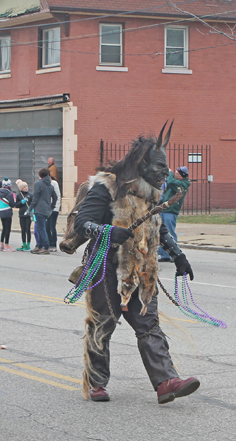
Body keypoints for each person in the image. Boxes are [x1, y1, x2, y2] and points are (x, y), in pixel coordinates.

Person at [72, 124, 198, 404]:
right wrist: (108, 232)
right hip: (105, 267)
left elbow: (157, 226)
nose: (165, 172)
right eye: (160, 166)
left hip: (141, 269)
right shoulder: (107, 186)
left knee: (149, 325)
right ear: (142, 164)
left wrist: (177, 254)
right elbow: (83, 222)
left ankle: (166, 381)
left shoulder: (150, 193)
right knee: (103, 324)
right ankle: (96, 383)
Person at [158, 166, 191, 262]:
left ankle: (175, 254)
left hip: (171, 211)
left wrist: (170, 173)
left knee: (170, 232)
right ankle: (164, 254)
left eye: (177, 174)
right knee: (162, 233)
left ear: (182, 176)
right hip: (164, 210)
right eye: (175, 173)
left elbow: (171, 182)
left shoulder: (183, 184)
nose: (175, 175)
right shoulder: (176, 182)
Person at [30, 168, 56, 255]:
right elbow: (55, 197)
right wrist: (52, 206)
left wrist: (30, 208)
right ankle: (39, 246)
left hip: (39, 209)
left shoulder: (38, 184)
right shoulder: (50, 186)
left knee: (41, 229)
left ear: (40, 175)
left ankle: (45, 247)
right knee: (41, 228)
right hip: (47, 209)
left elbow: (35, 198)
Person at [0, 178, 16, 251]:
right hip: (7, 211)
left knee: (4, 228)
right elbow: (12, 204)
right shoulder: (9, 193)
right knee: (8, 229)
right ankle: (6, 245)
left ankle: (1, 245)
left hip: (0, 211)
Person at [15, 180, 33, 251]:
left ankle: (28, 245)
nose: (26, 188)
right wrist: (21, 202)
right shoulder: (19, 195)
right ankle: (24, 244)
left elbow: (32, 203)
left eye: (26, 187)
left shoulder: (30, 195)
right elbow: (16, 205)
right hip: (21, 214)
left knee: (28, 229)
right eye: (24, 187)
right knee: (23, 229)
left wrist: (31, 210)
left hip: (28, 214)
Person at [47, 176, 61, 252]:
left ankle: (53, 244)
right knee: (47, 227)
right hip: (46, 209)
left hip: (54, 208)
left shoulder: (54, 183)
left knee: (52, 227)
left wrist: (56, 207)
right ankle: (48, 244)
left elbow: (57, 196)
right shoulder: (43, 183)